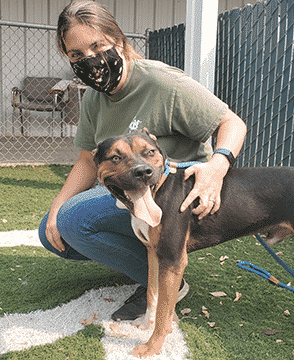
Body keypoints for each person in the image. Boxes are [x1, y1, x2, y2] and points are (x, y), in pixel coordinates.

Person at [38, 1, 246, 322]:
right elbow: (87, 161)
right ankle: (146, 263)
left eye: (97, 46)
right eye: (76, 55)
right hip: (132, 191)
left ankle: (168, 280)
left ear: (118, 39)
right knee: (52, 232)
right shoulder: (94, 98)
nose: (89, 60)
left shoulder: (163, 83)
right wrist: (56, 206)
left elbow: (231, 123)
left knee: (74, 222)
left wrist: (217, 168)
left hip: (179, 195)